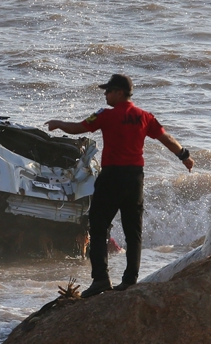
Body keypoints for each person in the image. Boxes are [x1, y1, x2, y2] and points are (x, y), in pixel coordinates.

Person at [46, 74, 194, 298]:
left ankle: (101, 280)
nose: (105, 94)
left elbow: (78, 128)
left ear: (119, 93)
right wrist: (184, 156)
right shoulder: (145, 117)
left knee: (98, 226)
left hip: (112, 177)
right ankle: (129, 281)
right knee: (133, 230)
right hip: (135, 178)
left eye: (108, 91)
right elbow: (167, 139)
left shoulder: (105, 115)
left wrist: (58, 124)